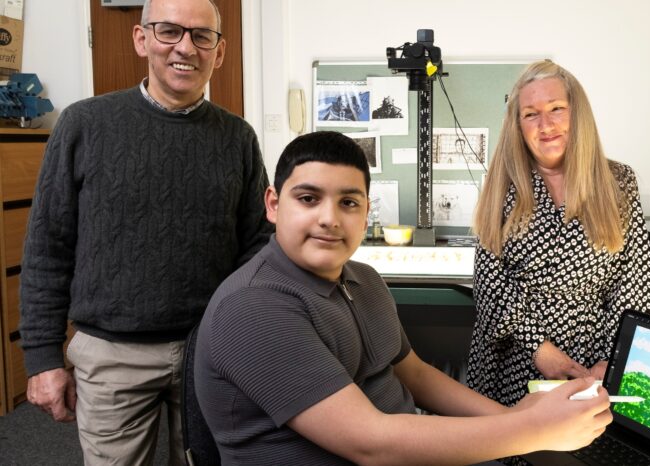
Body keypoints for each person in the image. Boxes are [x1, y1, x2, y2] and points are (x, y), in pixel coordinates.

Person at [194, 130, 612, 465]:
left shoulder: (365, 280)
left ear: (366, 214)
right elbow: (371, 444)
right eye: (308, 199)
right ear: (273, 204)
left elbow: (416, 376)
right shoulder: (252, 307)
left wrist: (515, 417)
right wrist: (534, 429)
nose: (329, 218)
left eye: (348, 202)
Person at [19, 0, 272, 464]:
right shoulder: (84, 124)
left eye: (201, 36)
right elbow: (47, 246)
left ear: (218, 52)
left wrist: (240, 334)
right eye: (169, 31)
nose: (185, 48)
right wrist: (43, 357)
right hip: (111, 354)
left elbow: (256, 244)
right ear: (141, 39)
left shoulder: (238, 138)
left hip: (208, 351)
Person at [465, 60, 650, 407]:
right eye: (531, 114)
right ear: (518, 125)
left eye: (556, 109)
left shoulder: (618, 182)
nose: (546, 125)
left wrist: (612, 359)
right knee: (515, 438)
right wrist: (539, 348)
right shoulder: (502, 185)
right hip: (513, 356)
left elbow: (634, 283)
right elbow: (490, 282)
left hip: (592, 359)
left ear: (577, 113)